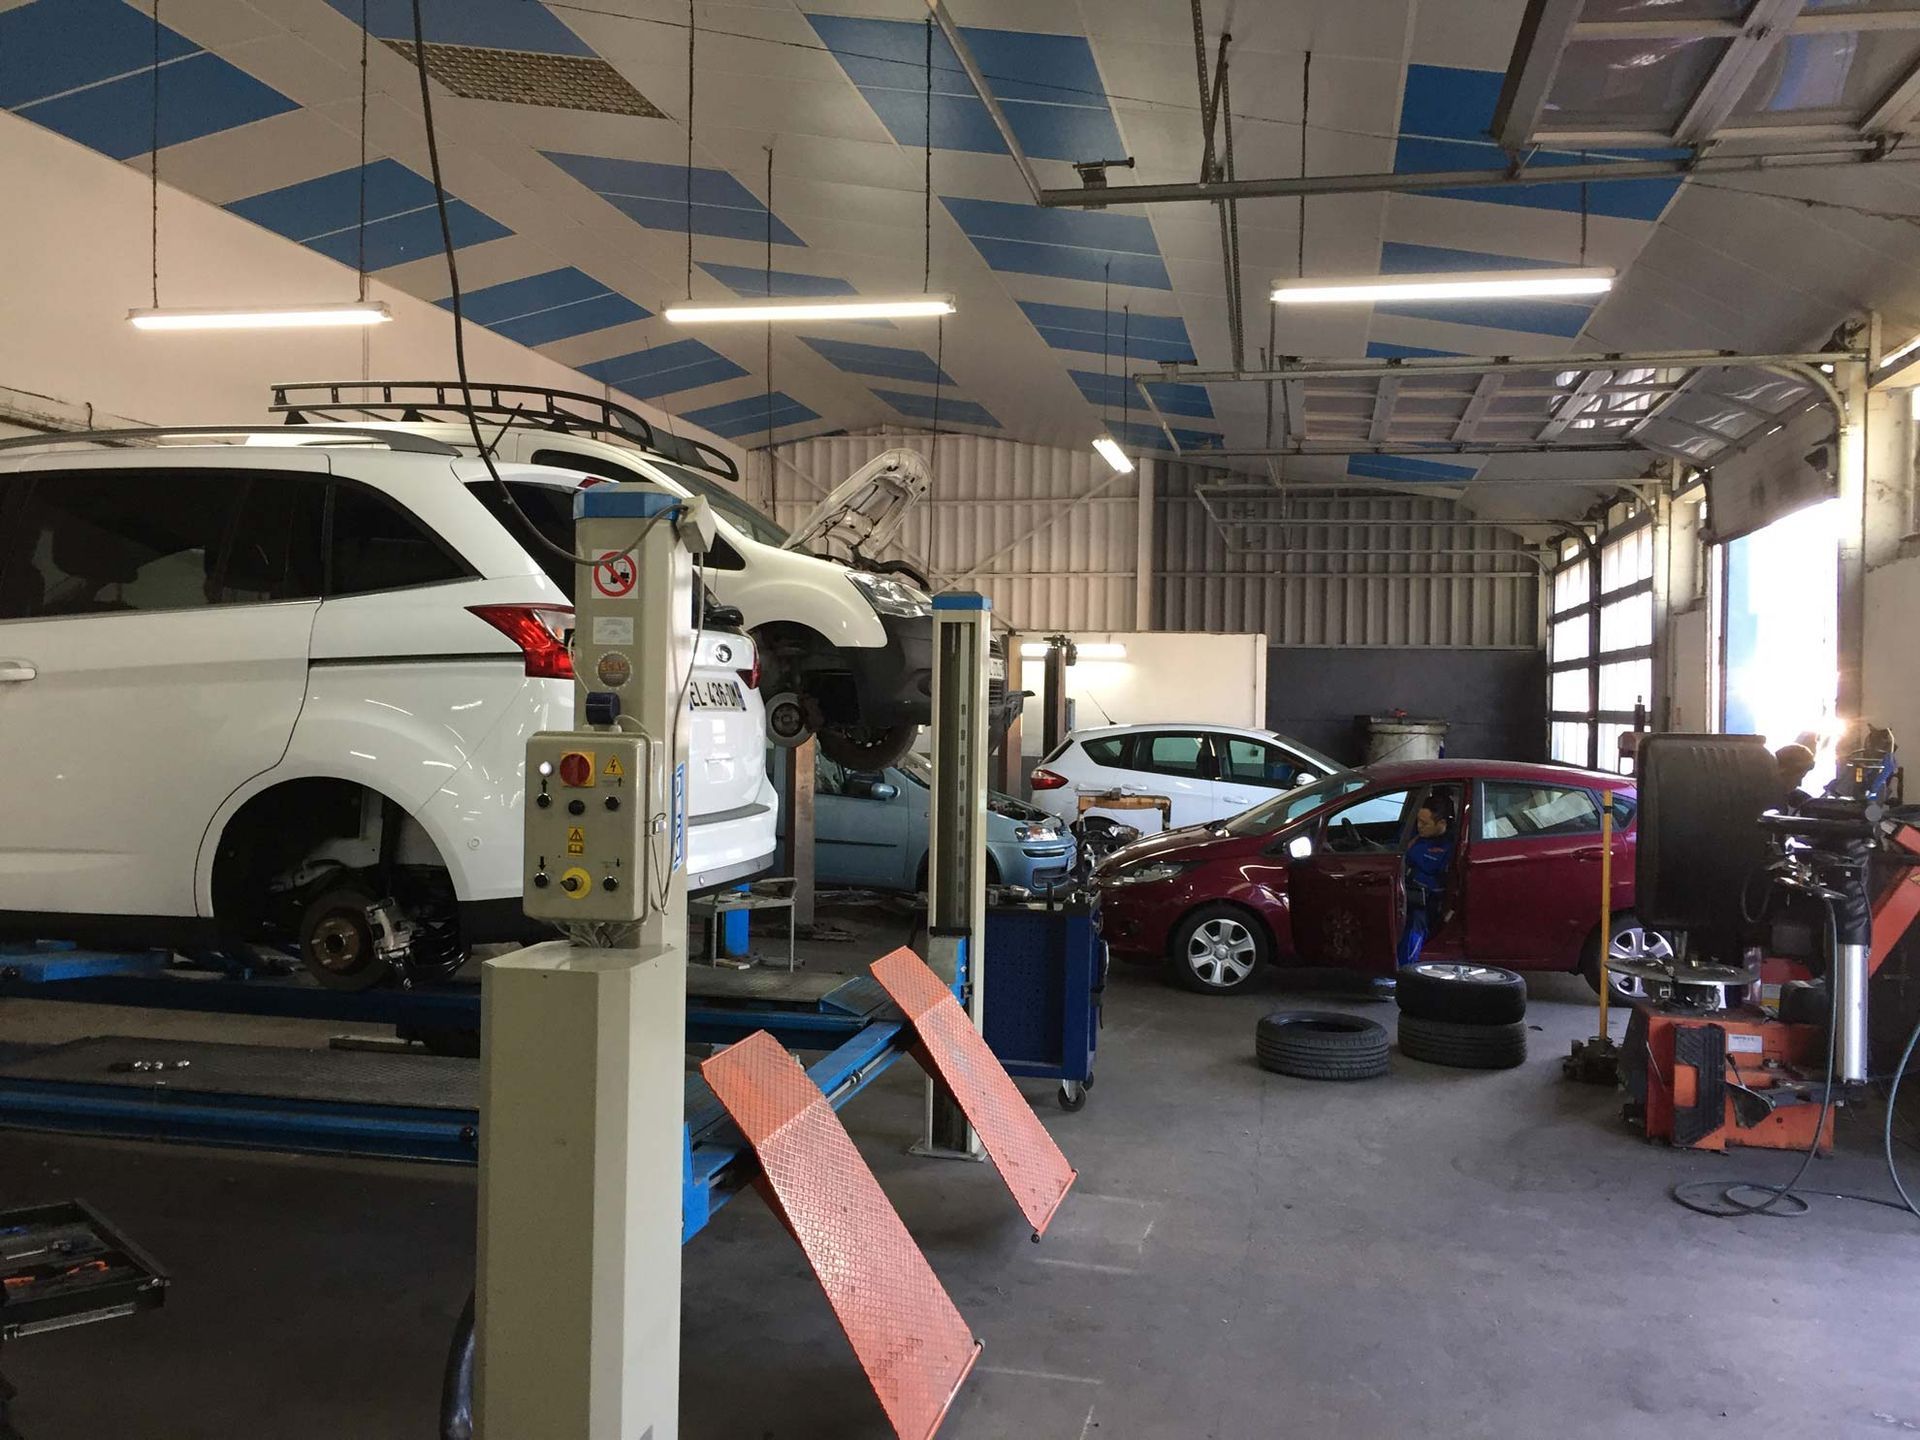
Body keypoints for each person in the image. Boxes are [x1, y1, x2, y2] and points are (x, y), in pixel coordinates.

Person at [1398, 793, 1456, 969]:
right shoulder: (1413, 836)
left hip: (1426, 901)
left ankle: (1405, 970)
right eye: (1418, 821)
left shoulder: (1448, 849)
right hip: (1401, 890)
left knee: (1416, 919)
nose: (1419, 826)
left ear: (1442, 824)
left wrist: (1411, 874)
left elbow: (1440, 885)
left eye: (1425, 823)